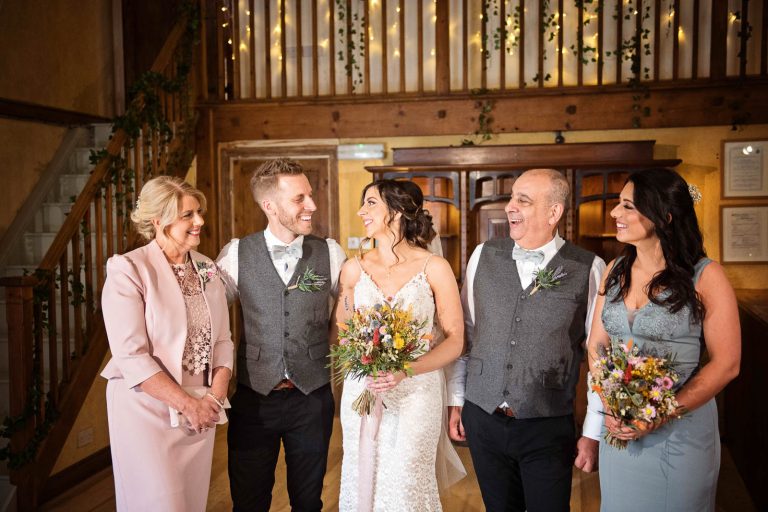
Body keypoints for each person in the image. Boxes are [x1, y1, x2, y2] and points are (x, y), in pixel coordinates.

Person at [446, 168, 606, 512]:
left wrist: (593, 430)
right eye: (511, 198)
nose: (510, 207)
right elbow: (466, 334)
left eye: (524, 200)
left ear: (554, 212)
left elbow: (599, 356)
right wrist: (456, 399)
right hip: (483, 417)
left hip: (547, 424)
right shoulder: (482, 255)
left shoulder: (590, 267)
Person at [587, 168, 741, 511]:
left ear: (664, 217)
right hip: (620, 431)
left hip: (680, 435)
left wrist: (659, 414)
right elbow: (596, 345)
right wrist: (611, 404)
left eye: (628, 206)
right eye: (618, 204)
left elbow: (727, 364)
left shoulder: (706, 275)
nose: (614, 213)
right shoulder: (614, 270)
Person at [216, 158, 346, 512]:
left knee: (308, 501)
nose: (312, 205)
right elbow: (206, 315)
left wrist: (329, 348)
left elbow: (353, 311)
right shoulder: (236, 254)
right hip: (254, 398)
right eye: (299, 198)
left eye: (310, 195)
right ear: (269, 206)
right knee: (249, 501)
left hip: (312, 398)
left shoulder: (330, 252)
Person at [101, 176, 234, 511]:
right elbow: (131, 355)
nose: (199, 221)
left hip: (202, 411)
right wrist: (187, 405)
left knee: (191, 502)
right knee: (160, 503)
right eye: (188, 215)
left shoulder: (206, 268)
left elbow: (223, 340)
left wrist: (213, 399)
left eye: (199, 212)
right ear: (158, 220)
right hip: (147, 408)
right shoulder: (129, 269)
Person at [336, 179, 466, 511]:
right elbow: (345, 329)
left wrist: (404, 370)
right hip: (364, 389)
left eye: (370, 203)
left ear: (396, 211)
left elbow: (455, 340)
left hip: (416, 393)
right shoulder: (353, 269)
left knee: (407, 480)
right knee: (361, 474)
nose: (361, 211)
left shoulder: (434, 268)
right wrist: (364, 356)